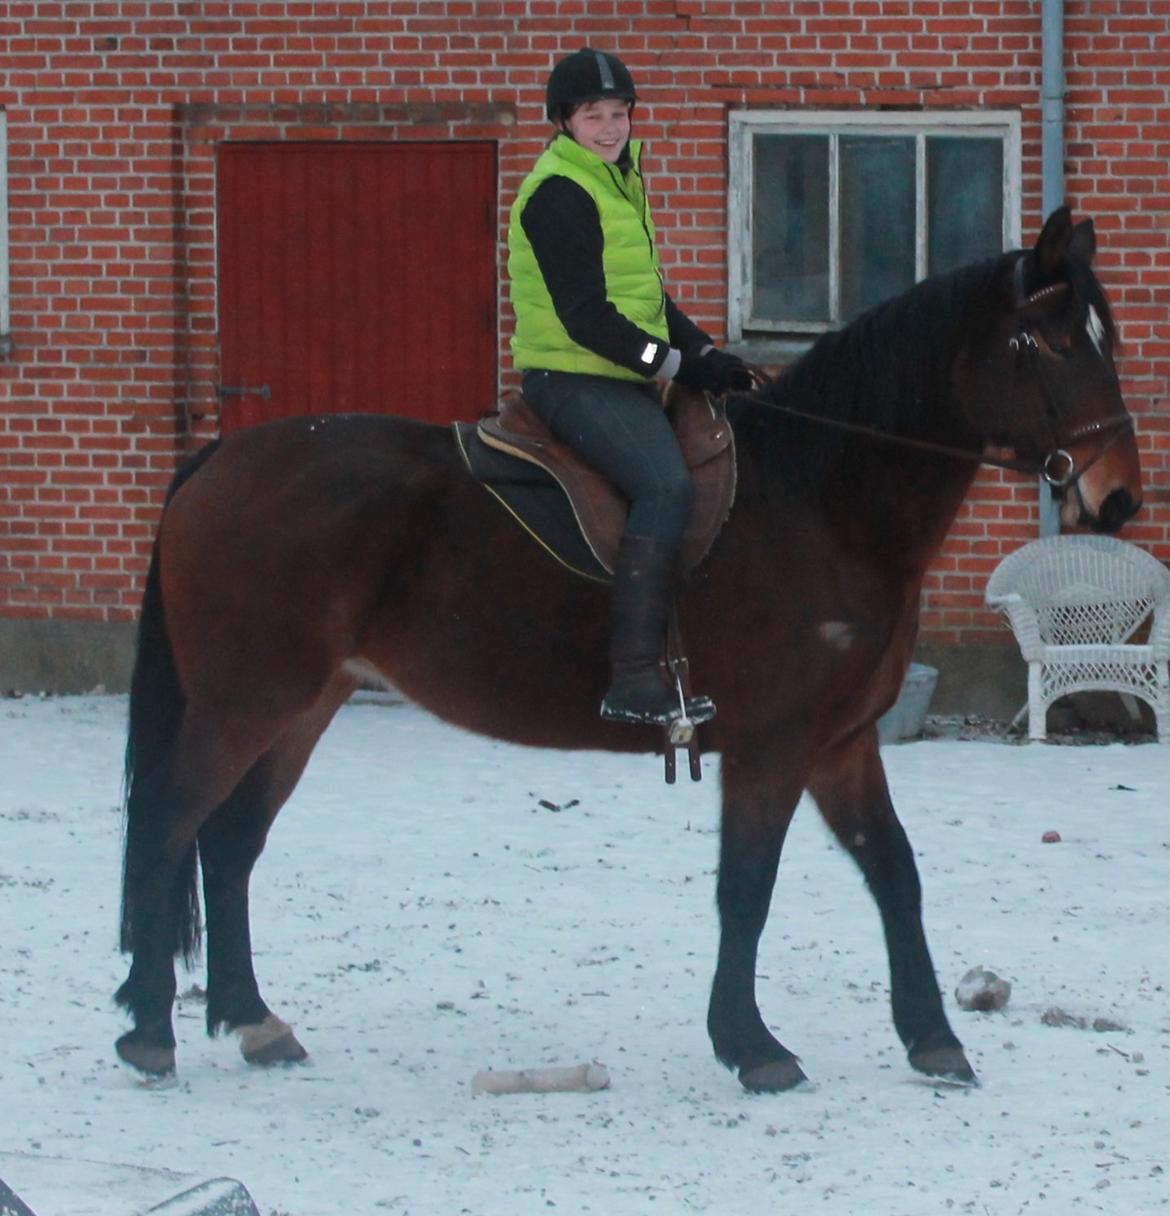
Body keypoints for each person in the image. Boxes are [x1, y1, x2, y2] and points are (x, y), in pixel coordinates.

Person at [507, 46, 754, 727]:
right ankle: (635, 678)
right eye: (595, 116)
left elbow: (646, 299)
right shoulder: (560, 192)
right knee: (665, 484)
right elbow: (587, 318)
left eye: (620, 114)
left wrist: (704, 349)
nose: (611, 127)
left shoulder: (617, 179)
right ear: (564, 121)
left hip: (619, 371)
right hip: (574, 377)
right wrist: (674, 365)